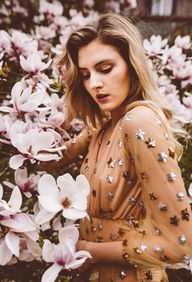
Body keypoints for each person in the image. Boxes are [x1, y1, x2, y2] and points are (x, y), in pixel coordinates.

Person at [48, 13, 192, 281]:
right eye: (85, 75)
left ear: (131, 64)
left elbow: (180, 245)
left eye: (105, 69)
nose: (94, 84)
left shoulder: (140, 121)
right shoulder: (101, 129)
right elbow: (48, 159)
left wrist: (91, 250)